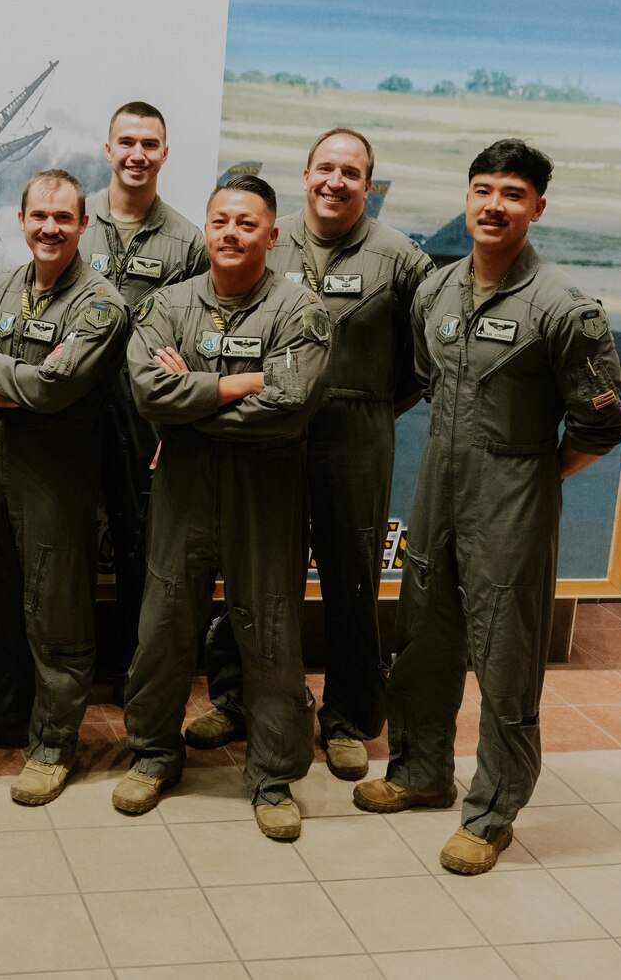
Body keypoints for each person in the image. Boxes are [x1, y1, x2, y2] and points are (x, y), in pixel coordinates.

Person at [356, 139, 621, 875]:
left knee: (506, 658)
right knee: (422, 637)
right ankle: (420, 772)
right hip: (437, 491)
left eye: (513, 193)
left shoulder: (565, 309)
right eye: (482, 189)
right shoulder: (436, 292)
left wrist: (541, 475)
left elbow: (603, 422)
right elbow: (426, 374)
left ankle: (493, 809)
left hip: (512, 500)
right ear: (468, 195)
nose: (494, 204)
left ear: (537, 207)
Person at [187, 129, 431, 784]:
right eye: (326, 167)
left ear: (368, 182)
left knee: (352, 578)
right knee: (259, 574)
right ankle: (242, 698)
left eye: (351, 172)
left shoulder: (400, 258)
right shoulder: (271, 236)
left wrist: (369, 404)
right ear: (305, 173)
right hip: (267, 431)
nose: (336, 181)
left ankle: (349, 718)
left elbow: (424, 362)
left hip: (354, 436)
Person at [114, 175, 331, 841]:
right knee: (163, 622)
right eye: (220, 221)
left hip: (265, 493)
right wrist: (244, 382)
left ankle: (271, 775)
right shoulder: (168, 304)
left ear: (273, 234)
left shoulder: (302, 311)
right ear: (206, 229)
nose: (232, 233)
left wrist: (193, 401)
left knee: (269, 630)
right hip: (185, 493)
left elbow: (290, 407)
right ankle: (154, 751)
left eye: (247, 223)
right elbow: (149, 392)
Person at [0, 170, 128, 805]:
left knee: (55, 613)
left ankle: (53, 744)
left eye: (63, 217)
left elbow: (56, 389)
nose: (50, 227)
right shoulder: (4, 285)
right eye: (38, 217)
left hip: (56, 477)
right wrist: (9, 378)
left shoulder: (100, 303)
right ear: (21, 222)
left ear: (83, 225)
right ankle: (2, 713)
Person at [81, 102, 208, 673]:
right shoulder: (72, 222)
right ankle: (68, 677)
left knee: (141, 547)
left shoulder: (187, 242)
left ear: (164, 153)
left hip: (144, 416)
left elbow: (199, 340)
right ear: (108, 150)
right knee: (65, 545)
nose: (137, 154)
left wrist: (173, 425)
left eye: (149, 144)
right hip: (72, 407)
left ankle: (137, 680)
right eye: (126, 142)